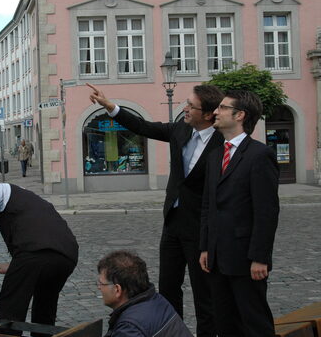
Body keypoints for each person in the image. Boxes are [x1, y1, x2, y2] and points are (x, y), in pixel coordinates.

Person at [88, 83, 223, 337]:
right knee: (168, 288)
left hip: (201, 228)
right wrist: (110, 107)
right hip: (173, 222)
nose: (185, 108)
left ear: (208, 114)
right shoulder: (181, 129)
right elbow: (144, 127)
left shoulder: (222, 142)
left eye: (191, 106)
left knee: (205, 294)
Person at [199, 90, 279, 336]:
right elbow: (208, 206)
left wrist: (260, 257)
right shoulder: (214, 156)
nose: (215, 112)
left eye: (222, 108)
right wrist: (205, 246)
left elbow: (266, 212)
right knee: (225, 324)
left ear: (240, 115)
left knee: (254, 324)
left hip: (246, 259)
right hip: (217, 258)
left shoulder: (259, 155)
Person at [0, 183, 78, 325]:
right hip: (67, 256)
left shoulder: (3, 189)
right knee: (44, 310)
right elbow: (33, 265)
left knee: (9, 311)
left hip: (36, 251)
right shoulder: (31, 202)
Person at [97, 250, 192, 337]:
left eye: (101, 283)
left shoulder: (129, 328)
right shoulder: (157, 300)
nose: (99, 287)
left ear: (117, 289)